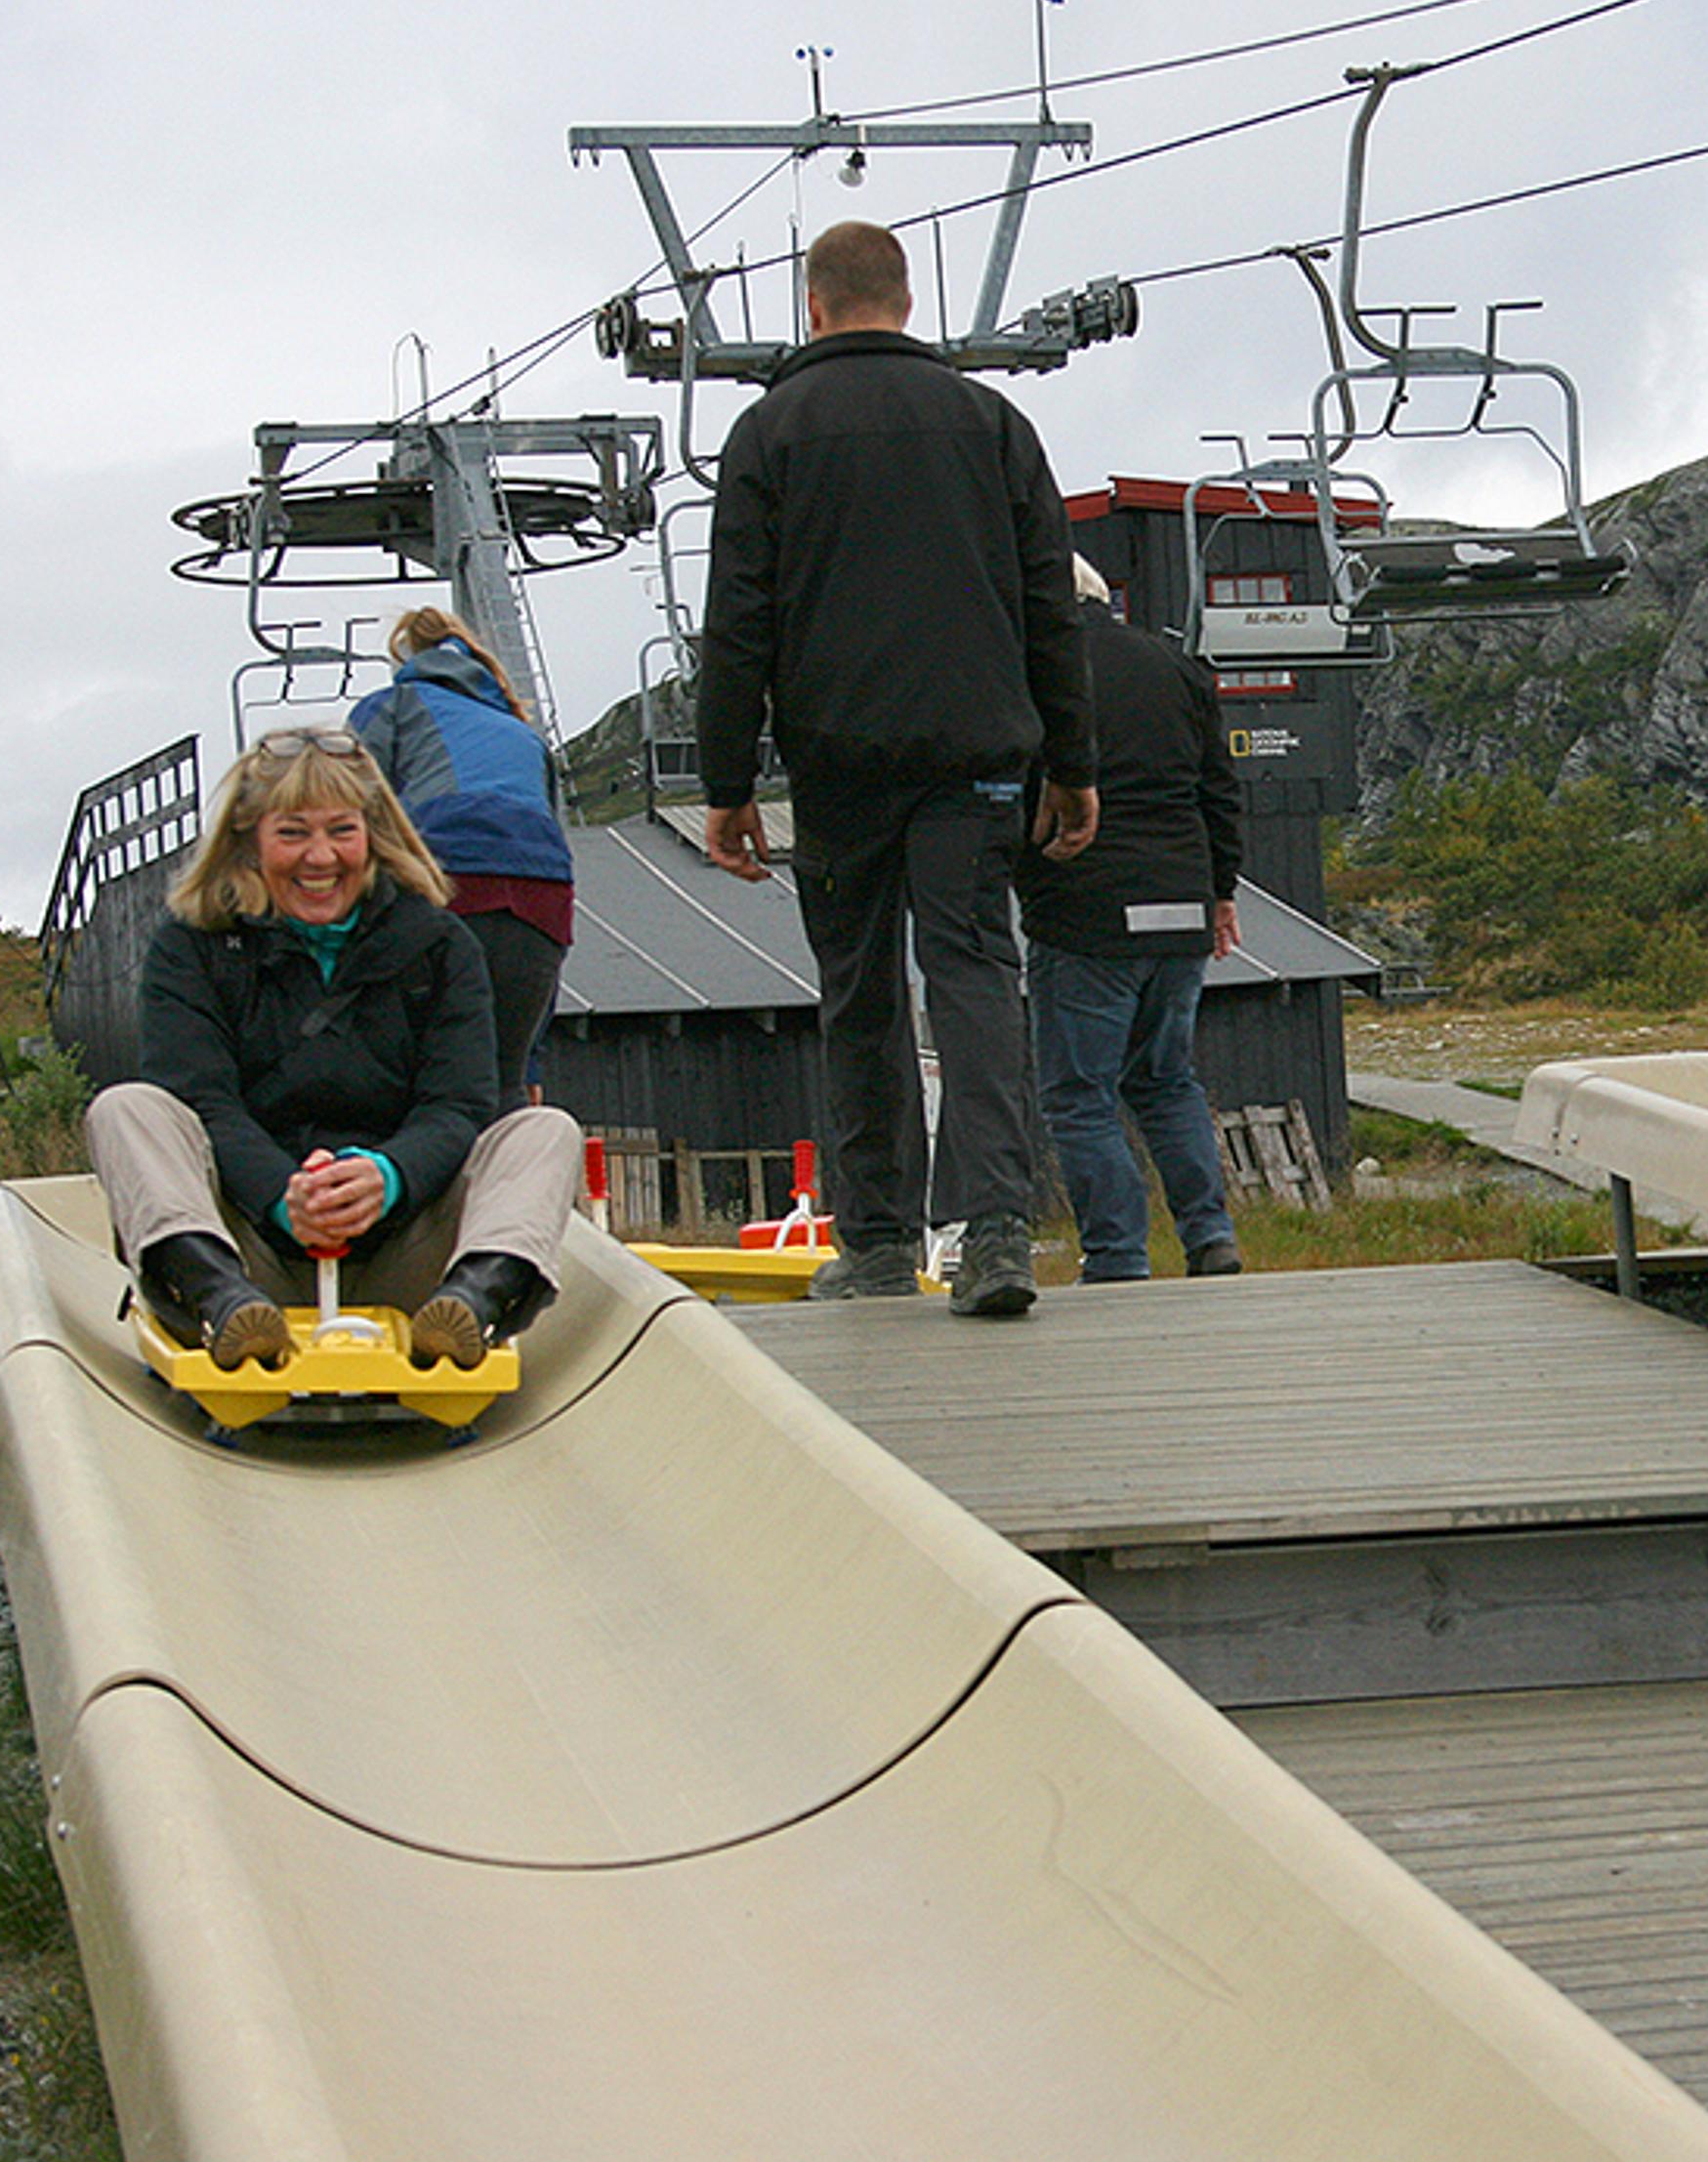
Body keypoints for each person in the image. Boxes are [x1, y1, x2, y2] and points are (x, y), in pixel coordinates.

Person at [693, 217, 1099, 1320]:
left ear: (813, 307)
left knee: (859, 990)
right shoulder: (992, 423)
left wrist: (728, 782)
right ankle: (996, 1232)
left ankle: (874, 1240)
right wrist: (1072, 761)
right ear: (909, 303)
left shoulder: (767, 433)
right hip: (976, 758)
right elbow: (1049, 607)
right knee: (975, 975)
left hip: (838, 763)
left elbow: (738, 620)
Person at [83, 728, 580, 1373]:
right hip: (252, 1247)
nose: (320, 858)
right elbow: (201, 1097)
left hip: (406, 1247)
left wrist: (387, 1176)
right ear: (249, 840)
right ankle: (217, 1301)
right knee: (126, 1109)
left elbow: (458, 1104)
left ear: (371, 835)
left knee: (544, 1130)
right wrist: (282, 1196)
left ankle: (470, 1307)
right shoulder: (192, 947)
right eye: (292, 834)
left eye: (342, 831)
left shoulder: (440, 945)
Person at [1016, 557, 1245, 1282]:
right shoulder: (1176, 666)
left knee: (1079, 1098)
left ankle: (1117, 1257)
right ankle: (1210, 1235)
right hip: (1182, 904)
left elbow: (1021, 791)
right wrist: (1221, 892)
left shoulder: (1037, 673)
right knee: (1167, 1081)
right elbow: (1219, 791)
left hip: (1085, 912)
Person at [349, 607, 573, 1110]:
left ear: (406, 659)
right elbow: (558, 862)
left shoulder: (393, 706)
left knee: (415, 1073)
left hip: (445, 878)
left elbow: (350, 815)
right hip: (541, 902)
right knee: (502, 1084)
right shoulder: (524, 735)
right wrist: (530, 1061)